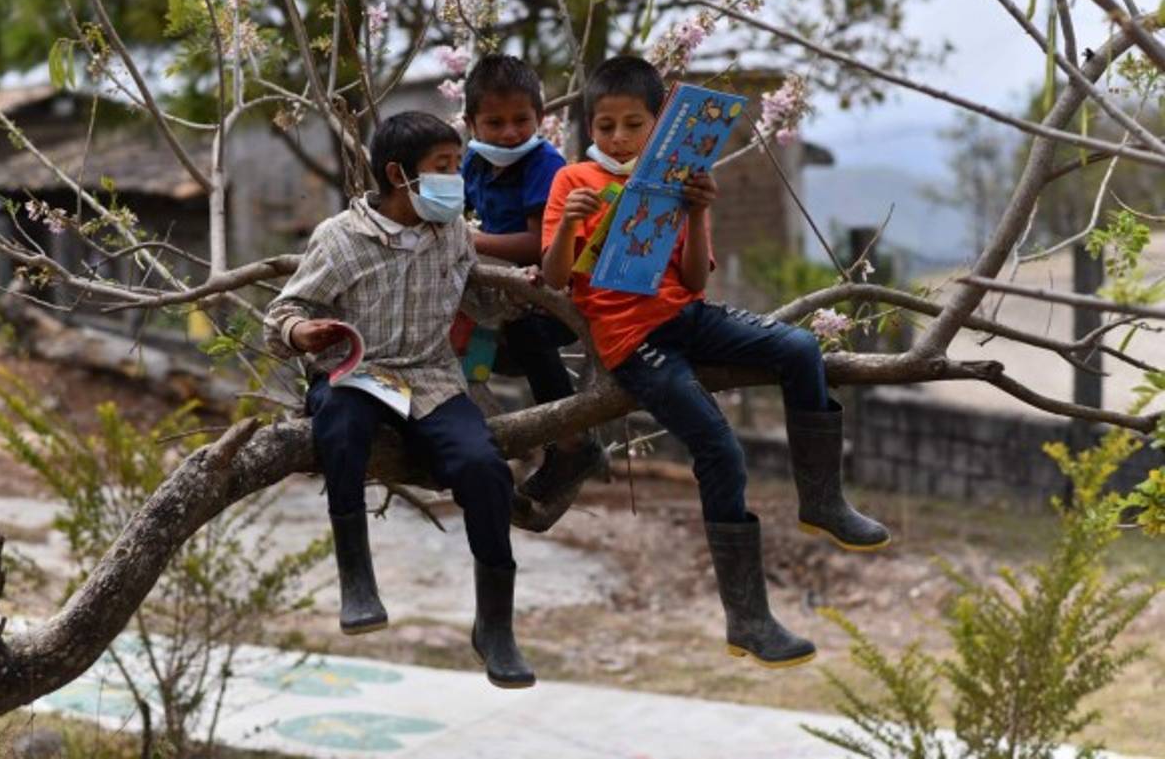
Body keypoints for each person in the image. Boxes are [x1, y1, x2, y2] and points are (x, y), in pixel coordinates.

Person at [540, 56, 891, 668]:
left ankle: (823, 501)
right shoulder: (573, 183)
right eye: (604, 126)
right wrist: (569, 230)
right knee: (720, 449)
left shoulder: (673, 181)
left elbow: (695, 281)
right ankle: (748, 619)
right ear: (588, 129)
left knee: (801, 347)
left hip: (686, 317)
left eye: (632, 124)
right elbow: (552, 278)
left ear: (658, 127)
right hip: (630, 339)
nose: (618, 138)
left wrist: (698, 209)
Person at [264, 111, 534, 689]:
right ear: (398, 175)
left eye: (457, 166)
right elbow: (282, 314)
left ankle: (495, 624)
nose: (455, 179)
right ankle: (357, 578)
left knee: (485, 468)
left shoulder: (454, 234)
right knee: (338, 426)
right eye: (443, 168)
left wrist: (523, 295)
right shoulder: (341, 238)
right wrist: (300, 334)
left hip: (431, 377)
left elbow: (477, 305)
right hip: (357, 373)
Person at [461, 53, 604, 499]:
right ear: (471, 124)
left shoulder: (544, 164)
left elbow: (537, 245)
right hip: (505, 292)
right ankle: (485, 443)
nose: (509, 133)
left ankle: (570, 442)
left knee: (528, 334)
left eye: (521, 119)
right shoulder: (474, 163)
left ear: (541, 117)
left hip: (557, 289)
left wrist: (471, 241)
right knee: (467, 344)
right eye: (495, 122)